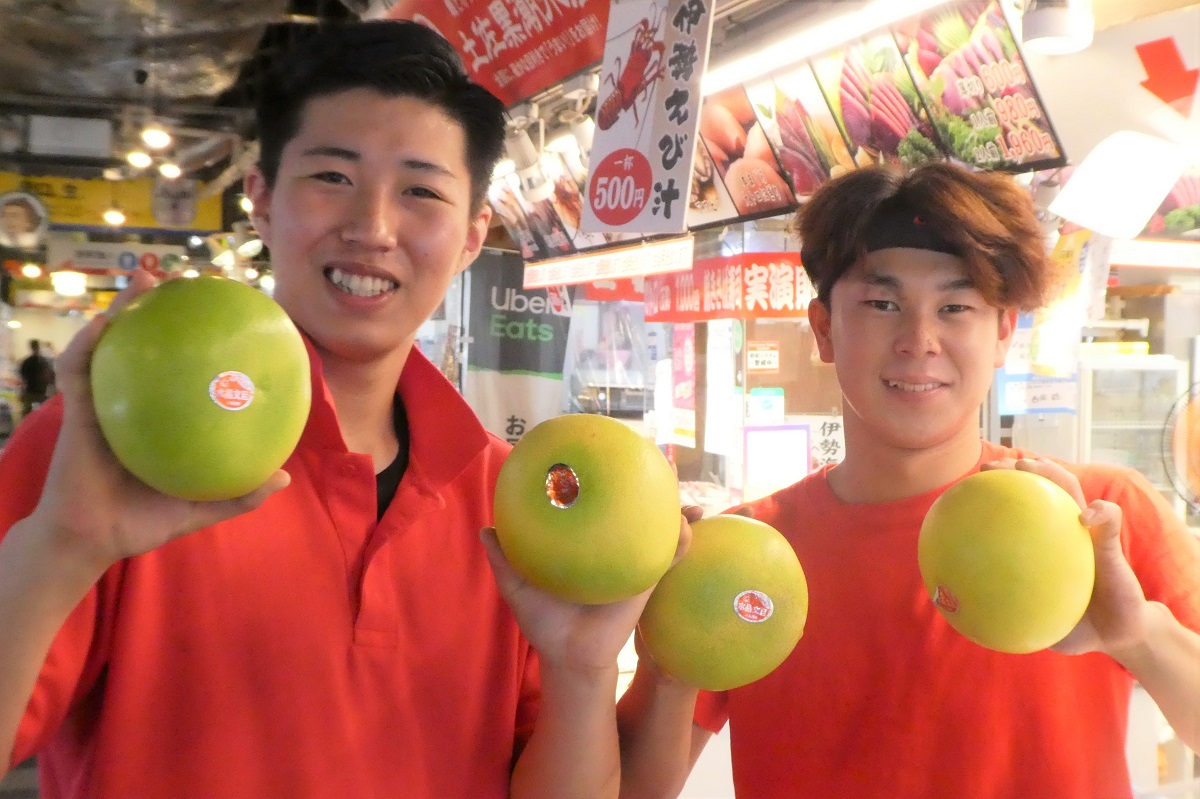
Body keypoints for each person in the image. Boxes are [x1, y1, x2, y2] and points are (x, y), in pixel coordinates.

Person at [0, 21, 684, 798]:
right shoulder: (105, 447)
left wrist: (583, 670)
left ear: (471, 236)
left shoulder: (514, 500)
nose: (372, 229)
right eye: (332, 176)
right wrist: (62, 547)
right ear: (261, 199)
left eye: (421, 191)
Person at [617, 162, 1200, 799]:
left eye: (955, 307)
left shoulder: (1101, 519)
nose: (919, 340)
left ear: (1003, 332)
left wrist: (1139, 634)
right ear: (824, 329)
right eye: (882, 304)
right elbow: (631, 790)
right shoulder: (742, 555)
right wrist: (660, 655)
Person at [17, 339, 53, 418]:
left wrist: (22, 391)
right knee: (42, 413)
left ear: (31, 347)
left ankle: (27, 424)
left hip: (30, 391)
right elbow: (48, 376)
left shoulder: (27, 361)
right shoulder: (44, 361)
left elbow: (22, 379)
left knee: (27, 412)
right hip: (41, 391)